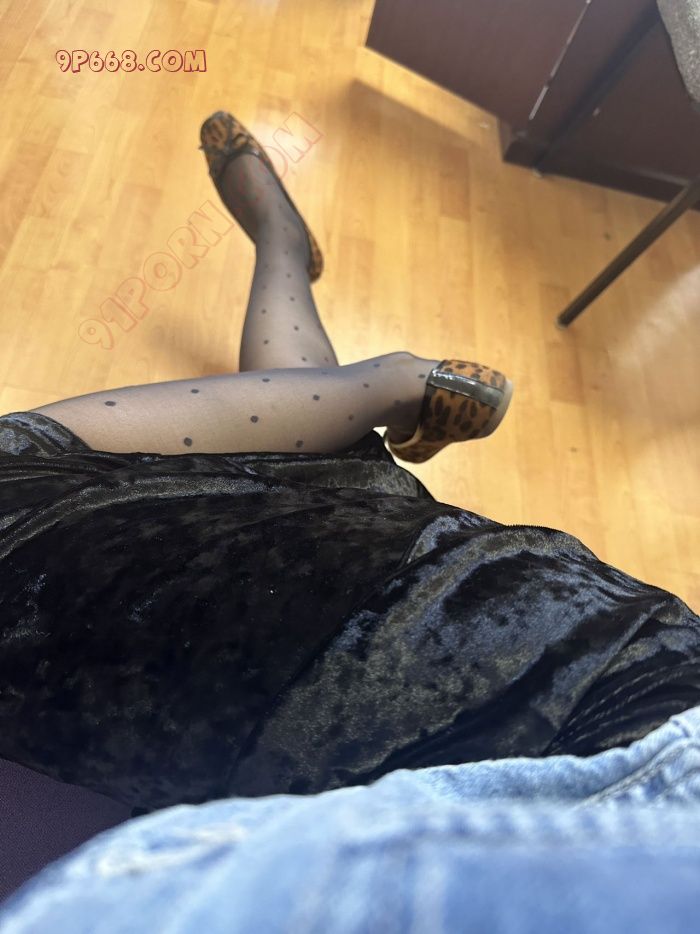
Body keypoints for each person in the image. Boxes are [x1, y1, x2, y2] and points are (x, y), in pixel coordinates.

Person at [0, 112, 698, 823]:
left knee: (317, 463)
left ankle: (331, 318)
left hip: (540, 634)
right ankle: (347, 340)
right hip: (549, 703)